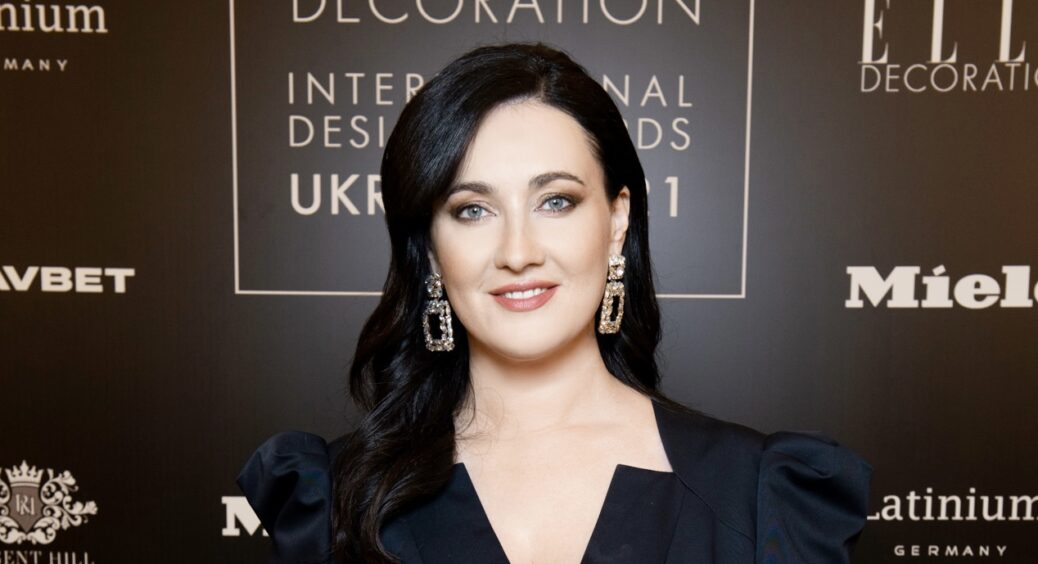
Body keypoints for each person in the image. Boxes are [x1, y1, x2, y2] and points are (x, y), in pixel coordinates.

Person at [237, 42, 872, 564]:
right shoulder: (334, 500)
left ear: (617, 220)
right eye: (473, 210)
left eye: (556, 201)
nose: (518, 252)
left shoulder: (760, 497)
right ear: (429, 247)